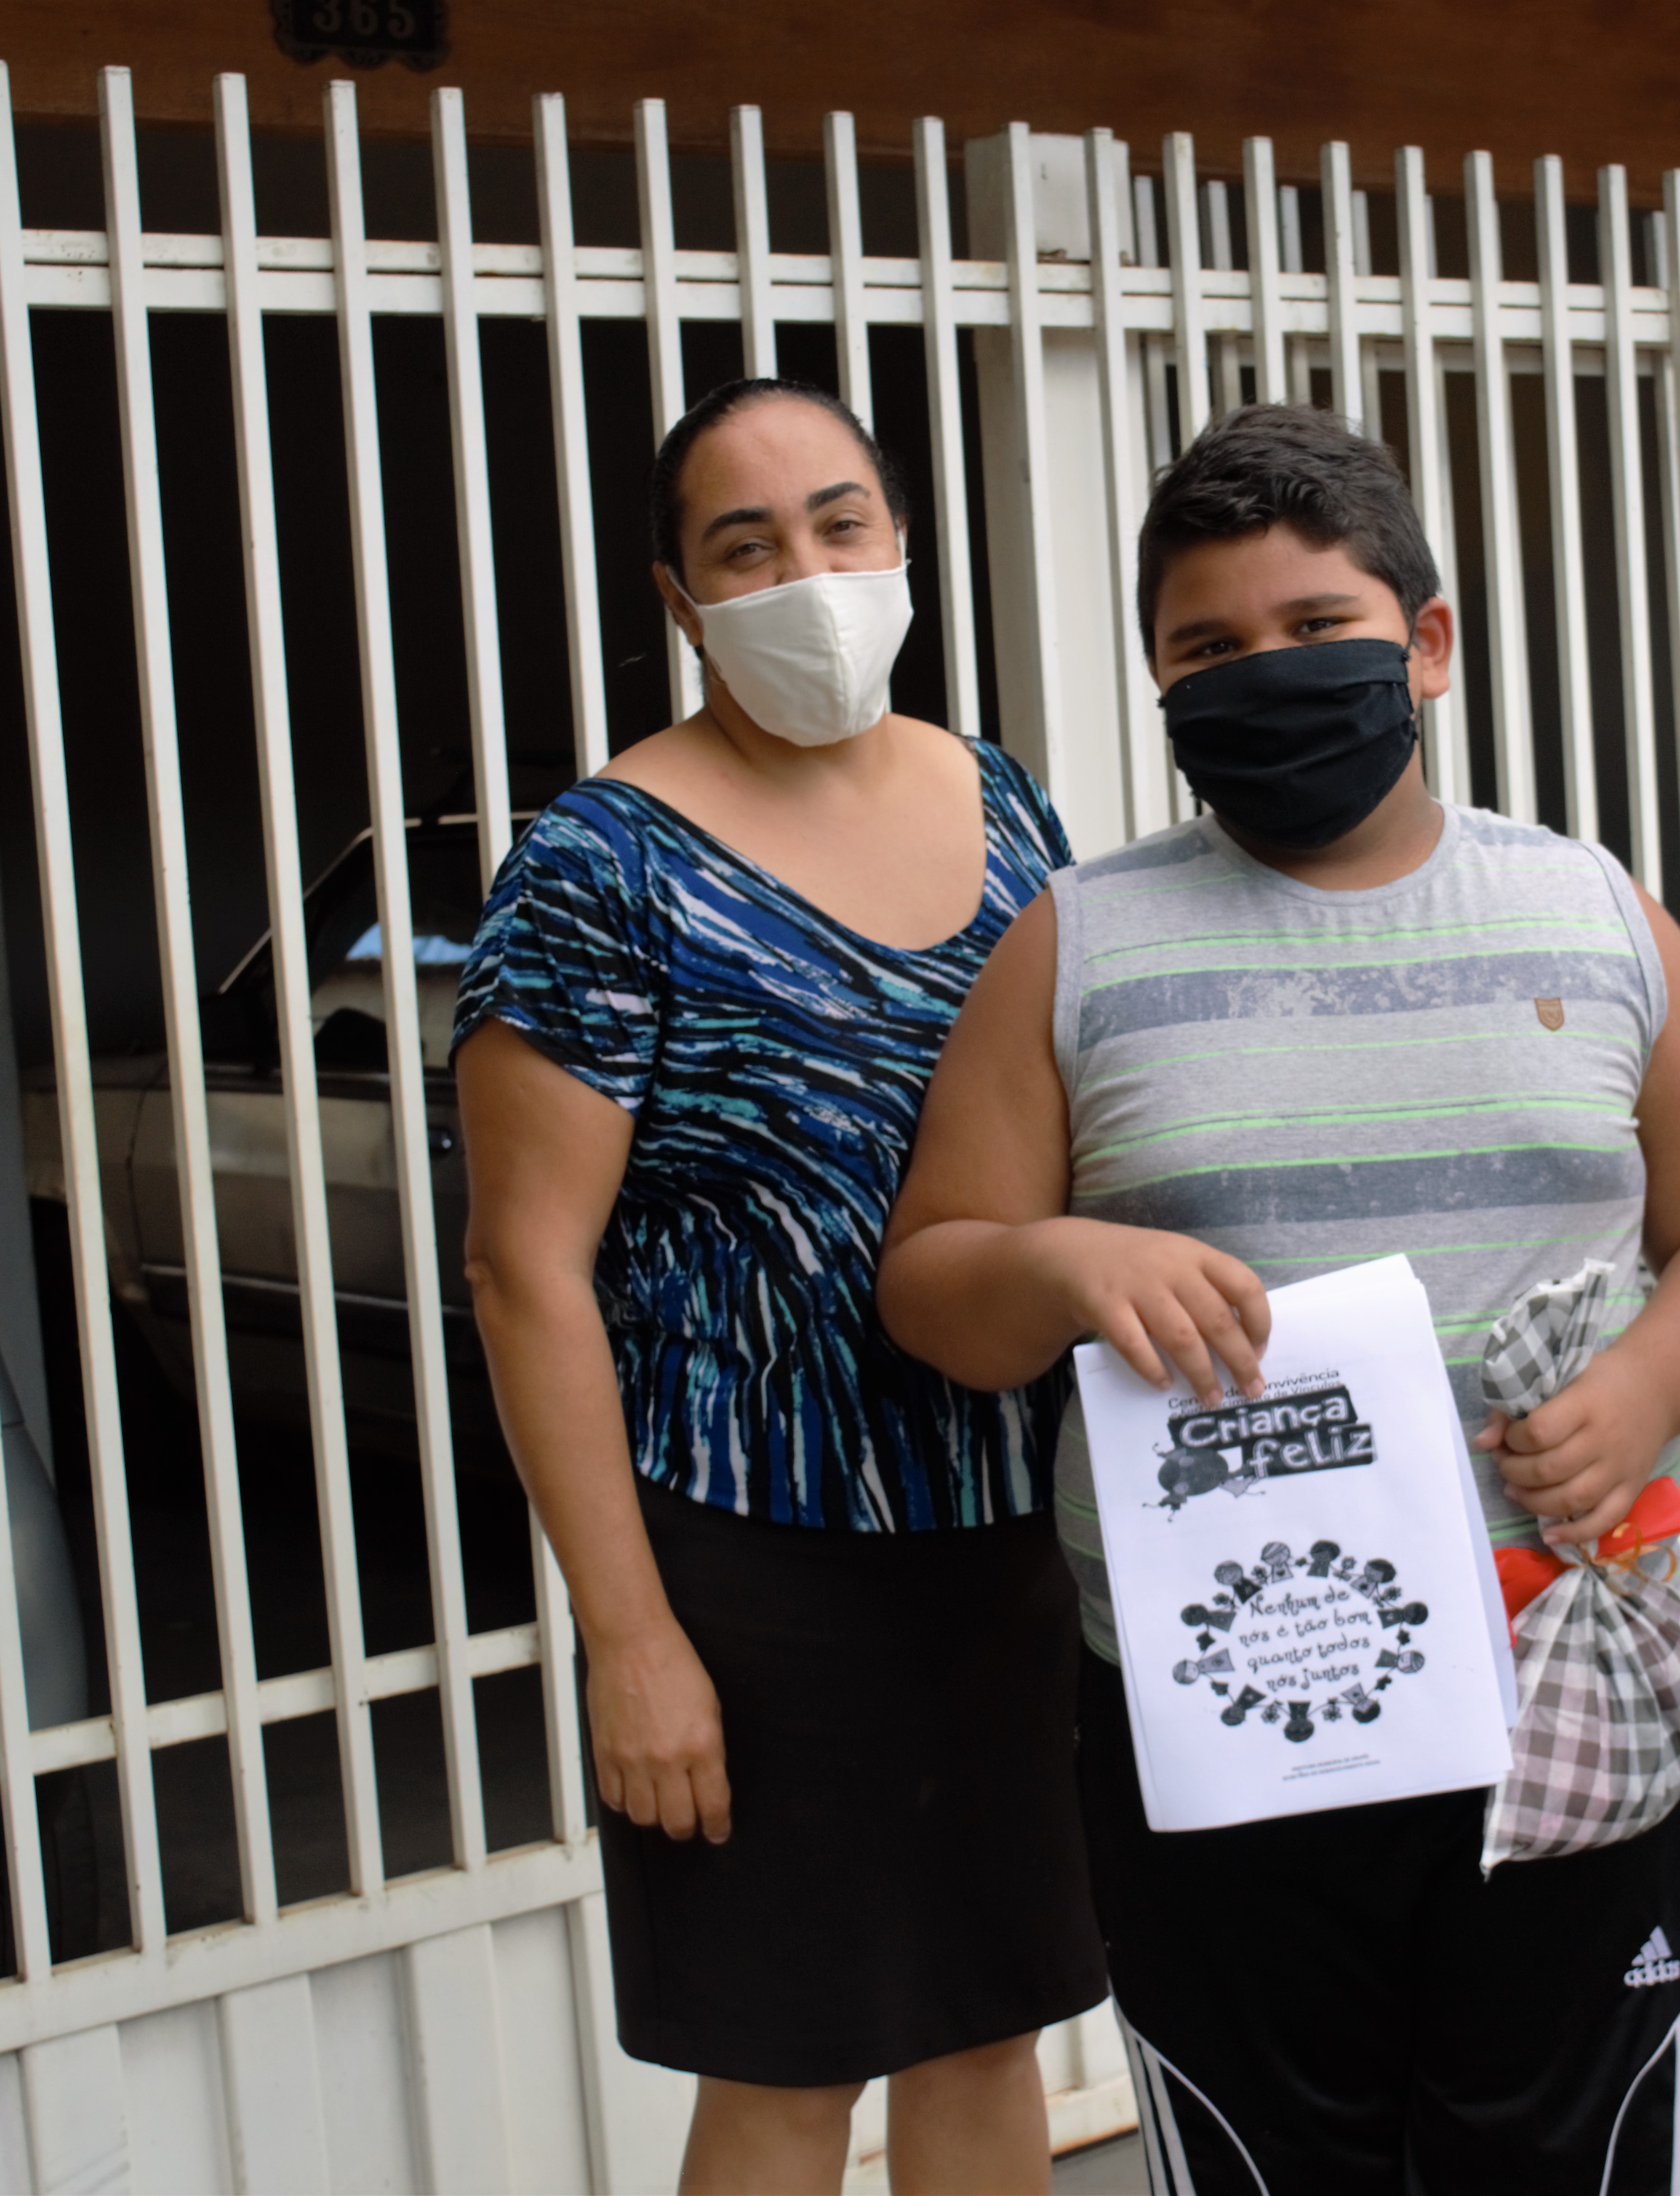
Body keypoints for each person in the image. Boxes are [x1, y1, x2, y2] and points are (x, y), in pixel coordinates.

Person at [876, 403, 1680, 2196]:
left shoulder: (1591, 912)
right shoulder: (1077, 944)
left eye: (1316, 630)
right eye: (1207, 648)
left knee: (1588, 2162)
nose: (1265, 675)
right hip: (1224, 1717)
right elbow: (935, 1286)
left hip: (1563, 1686)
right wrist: (1065, 1262)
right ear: (1158, 679)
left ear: (1428, 644)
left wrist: (1642, 1387)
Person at [453, 379, 1101, 2195]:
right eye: (746, 544)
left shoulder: (1002, 802)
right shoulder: (601, 866)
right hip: (745, 1554)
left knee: (990, 2032)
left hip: (999, 1527)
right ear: (679, 595)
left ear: (900, 543)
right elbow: (525, 1270)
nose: (804, 571)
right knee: (788, 2073)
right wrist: (632, 1635)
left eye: (838, 523)